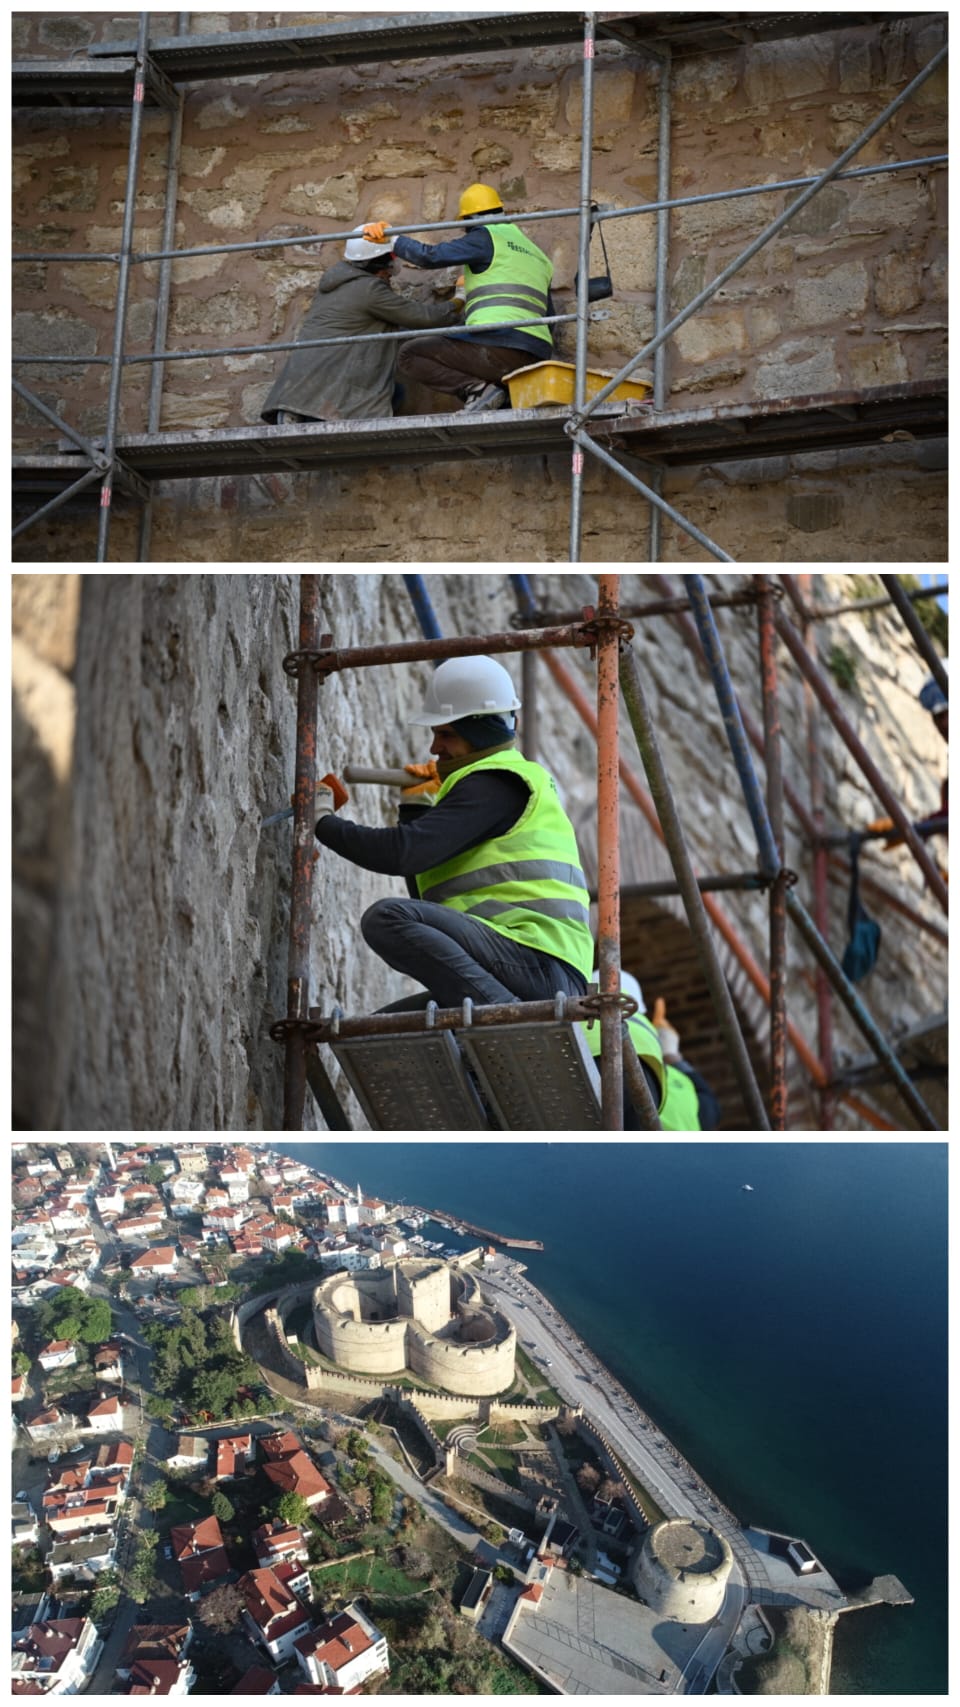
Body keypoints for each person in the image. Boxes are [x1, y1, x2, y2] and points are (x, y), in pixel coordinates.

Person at [313, 655, 593, 1012]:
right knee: (372, 1033)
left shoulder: (497, 782)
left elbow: (401, 853)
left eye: (446, 734)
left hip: (537, 960)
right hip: (520, 965)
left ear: (480, 732)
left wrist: (322, 820)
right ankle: (501, 1026)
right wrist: (416, 806)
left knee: (387, 918)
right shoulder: (489, 786)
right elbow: (423, 893)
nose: (434, 748)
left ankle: (506, 1025)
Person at [361, 182, 556, 412]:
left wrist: (392, 239)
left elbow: (430, 256)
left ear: (468, 219)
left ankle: (478, 391)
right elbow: (549, 316)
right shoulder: (538, 254)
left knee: (410, 354)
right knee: (498, 398)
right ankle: (494, 397)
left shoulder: (485, 235)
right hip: (535, 354)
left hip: (498, 344)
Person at [261, 226, 460, 425]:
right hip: (331, 388)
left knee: (394, 393)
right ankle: (308, 413)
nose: (392, 269)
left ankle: (297, 409)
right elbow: (425, 317)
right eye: (391, 259)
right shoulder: (369, 290)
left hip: (300, 386)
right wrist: (459, 299)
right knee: (388, 396)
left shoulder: (336, 283)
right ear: (379, 263)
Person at [581, 973, 716, 1131]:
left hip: (581, 1073)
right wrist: (672, 1055)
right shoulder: (677, 1082)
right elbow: (711, 1107)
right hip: (643, 1098)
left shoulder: (578, 1016)